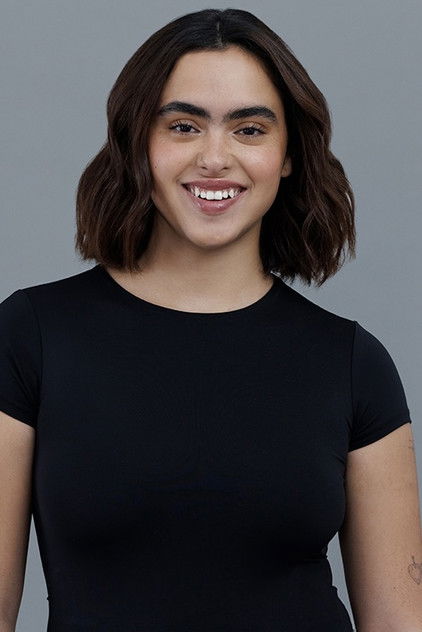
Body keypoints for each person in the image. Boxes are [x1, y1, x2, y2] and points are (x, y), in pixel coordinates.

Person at [0, 7, 421, 632]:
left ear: (287, 154)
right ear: (139, 143)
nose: (215, 158)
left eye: (250, 129)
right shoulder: (30, 336)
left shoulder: (353, 362)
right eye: (183, 126)